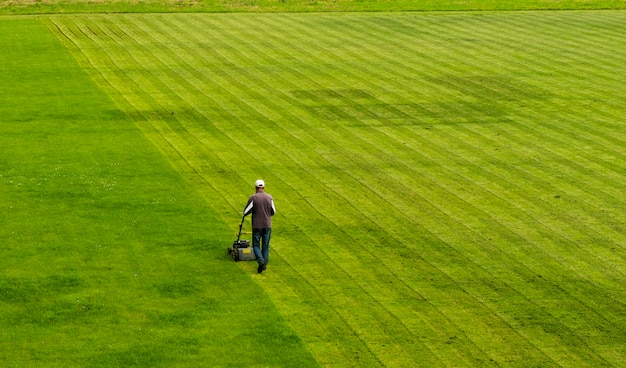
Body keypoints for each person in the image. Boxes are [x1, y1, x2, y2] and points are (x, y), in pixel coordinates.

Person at [242, 179, 275, 274]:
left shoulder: (253, 197)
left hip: (257, 225)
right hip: (267, 225)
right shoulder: (269, 197)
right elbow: (273, 211)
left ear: (256, 187)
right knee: (265, 245)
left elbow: (246, 212)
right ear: (264, 187)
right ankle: (264, 263)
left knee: (256, 245)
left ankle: (260, 260)